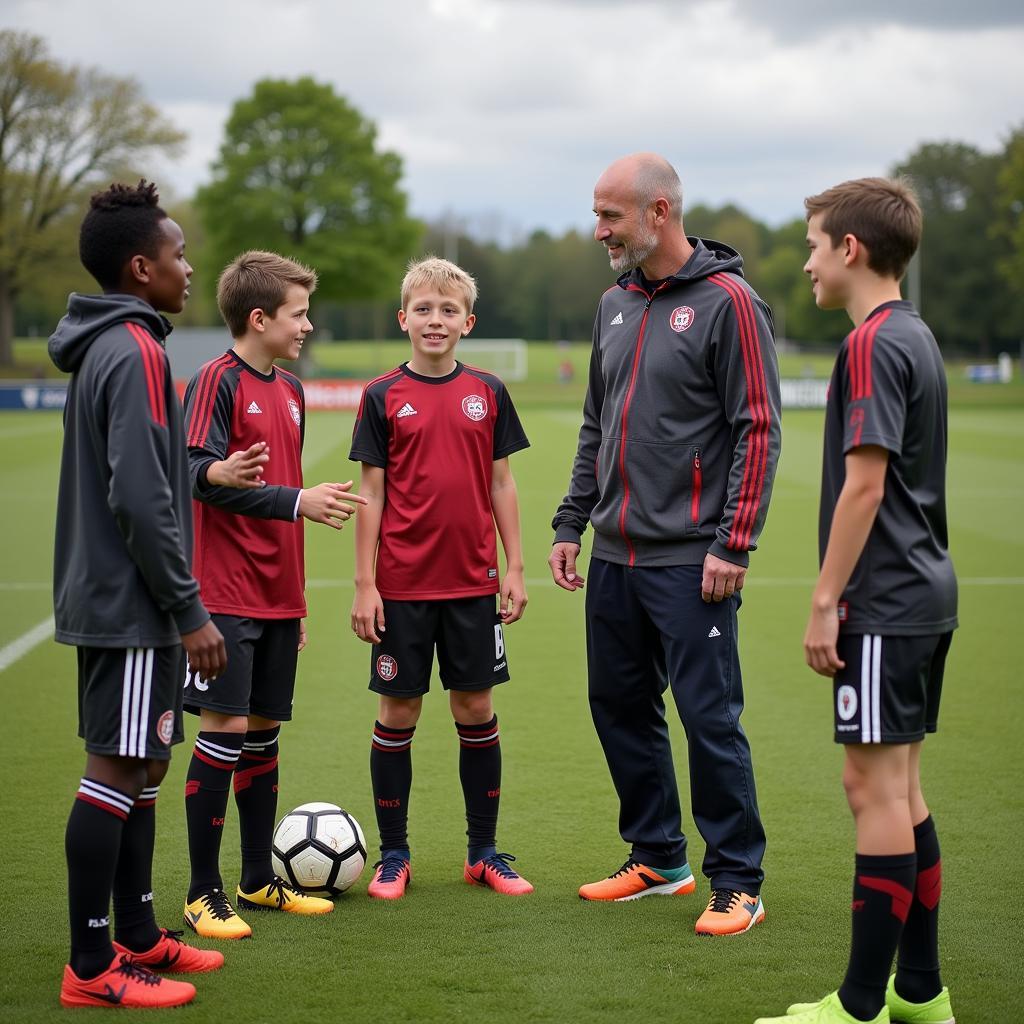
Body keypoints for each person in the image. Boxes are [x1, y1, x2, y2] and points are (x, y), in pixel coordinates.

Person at [549, 153, 781, 935]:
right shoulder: (613, 303)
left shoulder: (729, 303)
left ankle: (739, 880)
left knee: (709, 716)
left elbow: (758, 427)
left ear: (658, 211)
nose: (598, 231)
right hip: (615, 552)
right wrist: (571, 522)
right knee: (617, 704)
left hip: (694, 560)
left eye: (610, 216)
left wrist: (734, 543)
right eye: (596, 214)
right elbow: (597, 423)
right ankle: (658, 857)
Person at [754, 180, 958, 1024]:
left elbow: (864, 486)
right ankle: (921, 992)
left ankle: (860, 1005)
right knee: (901, 791)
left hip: (884, 597)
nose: (804, 259)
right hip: (926, 594)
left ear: (850, 250)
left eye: (812, 243)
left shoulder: (873, 342)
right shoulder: (916, 332)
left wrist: (824, 600)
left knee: (870, 789)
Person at [50, 180, 227, 1009]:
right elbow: (141, 495)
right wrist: (188, 609)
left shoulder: (125, 344)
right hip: (130, 608)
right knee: (115, 768)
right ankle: (92, 967)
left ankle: (137, 933)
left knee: (146, 763)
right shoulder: (135, 350)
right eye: (178, 254)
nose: (188, 267)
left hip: (133, 603)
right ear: (139, 266)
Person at [181, 251, 367, 939]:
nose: (308, 326)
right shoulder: (215, 381)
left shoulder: (289, 392)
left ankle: (258, 880)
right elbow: (195, 472)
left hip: (276, 595)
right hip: (224, 594)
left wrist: (297, 600)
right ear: (259, 319)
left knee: (263, 735)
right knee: (223, 732)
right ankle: (203, 893)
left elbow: (277, 484)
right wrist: (263, 488)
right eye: (298, 314)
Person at [350, 256, 532, 899]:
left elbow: (501, 482)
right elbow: (370, 492)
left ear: (468, 322)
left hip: (473, 583)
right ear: (404, 318)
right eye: (423, 309)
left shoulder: (489, 392)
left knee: (476, 706)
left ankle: (483, 851)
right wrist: (365, 584)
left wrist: (514, 566)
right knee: (398, 711)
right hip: (402, 586)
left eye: (447, 310)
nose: (435, 319)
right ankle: (394, 854)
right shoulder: (381, 396)